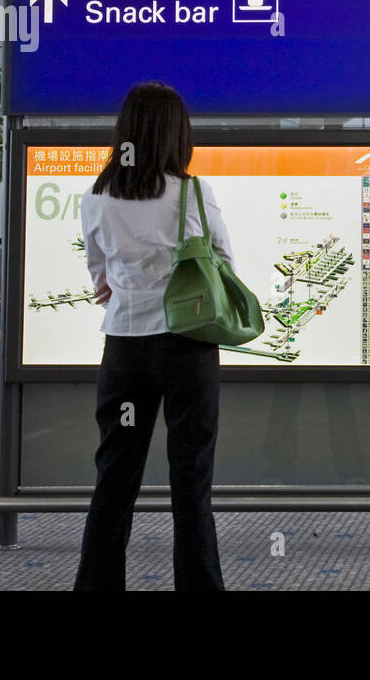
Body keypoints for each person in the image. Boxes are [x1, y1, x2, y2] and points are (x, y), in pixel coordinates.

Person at [74, 81, 235, 591]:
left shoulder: (98, 195)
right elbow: (224, 264)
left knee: (114, 480)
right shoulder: (193, 192)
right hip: (186, 345)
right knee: (191, 481)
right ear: (175, 134)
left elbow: (98, 276)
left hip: (123, 348)